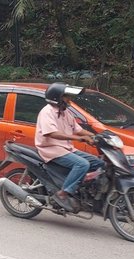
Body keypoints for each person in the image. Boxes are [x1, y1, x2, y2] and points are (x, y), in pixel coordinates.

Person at [35, 82, 104, 211]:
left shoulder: (65, 112)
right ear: (57, 97)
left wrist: (97, 136)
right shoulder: (47, 112)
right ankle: (63, 193)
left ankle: (79, 188)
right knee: (82, 164)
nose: (70, 100)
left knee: (98, 163)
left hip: (66, 149)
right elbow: (52, 133)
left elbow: (77, 129)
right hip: (51, 149)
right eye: (67, 97)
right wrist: (79, 139)